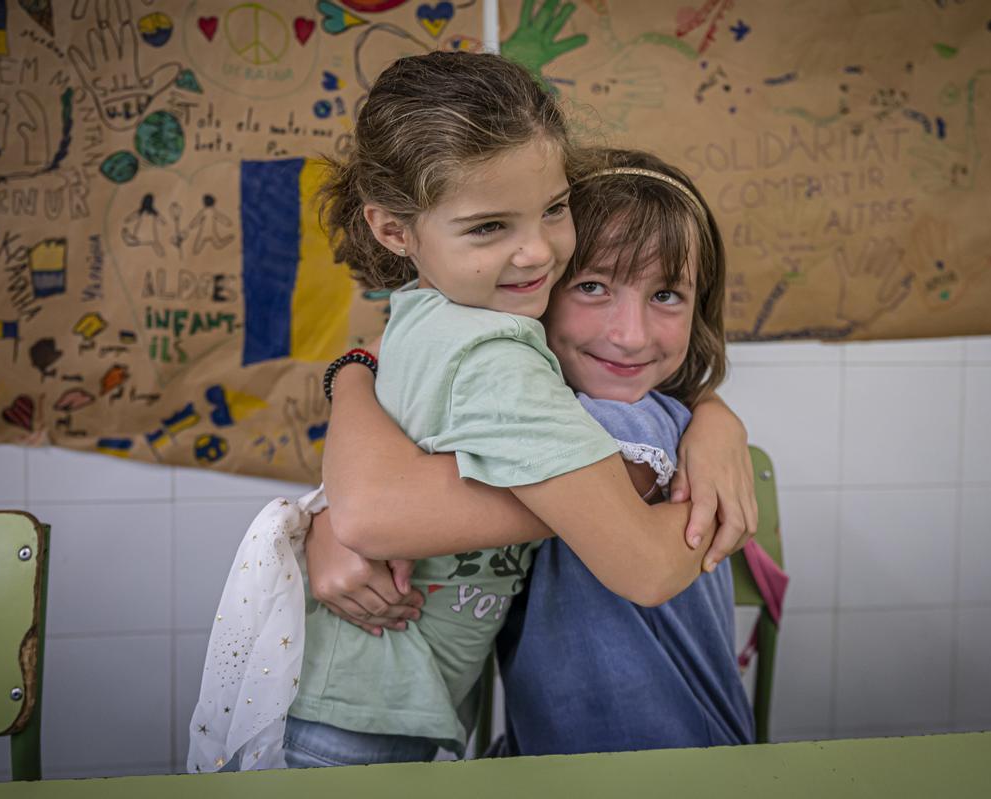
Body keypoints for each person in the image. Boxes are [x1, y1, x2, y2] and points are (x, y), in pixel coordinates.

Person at [189, 51, 742, 773]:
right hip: (372, 722)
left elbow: (378, 493)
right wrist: (712, 493)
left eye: (553, 210)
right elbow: (374, 512)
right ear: (394, 230)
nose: (536, 252)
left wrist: (711, 416)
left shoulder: (428, 318)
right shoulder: (495, 356)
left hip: (405, 713)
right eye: (489, 228)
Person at [313, 149, 757, 756]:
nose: (630, 335)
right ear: (538, 288)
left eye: (668, 296)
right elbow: (393, 480)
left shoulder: (614, 420)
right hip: (564, 756)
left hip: (662, 762)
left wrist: (336, 525)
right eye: (594, 287)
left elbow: (382, 515)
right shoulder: (525, 414)